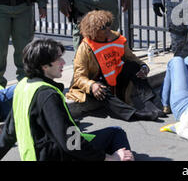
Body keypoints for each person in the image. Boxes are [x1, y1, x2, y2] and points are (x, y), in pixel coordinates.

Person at [0, 38, 134, 161]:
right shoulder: (47, 95)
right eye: (58, 59)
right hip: (56, 156)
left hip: (39, 155)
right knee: (116, 134)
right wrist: (110, 158)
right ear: (44, 66)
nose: (63, 62)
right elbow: (70, 141)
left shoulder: (23, 86)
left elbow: (9, 133)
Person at [66, 10, 164, 122]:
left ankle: (149, 104)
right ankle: (134, 114)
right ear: (93, 31)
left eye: (108, 25)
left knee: (134, 67)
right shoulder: (85, 47)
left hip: (115, 79)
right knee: (102, 90)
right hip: (98, 81)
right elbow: (79, 77)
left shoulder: (116, 38)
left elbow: (131, 57)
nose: (108, 29)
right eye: (103, 28)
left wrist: (143, 66)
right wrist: (91, 85)